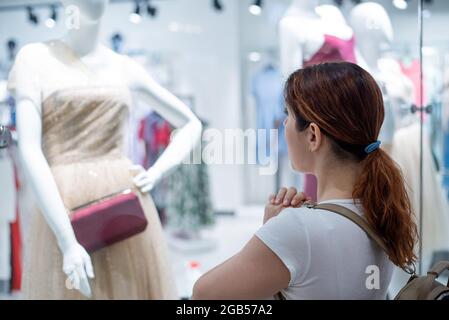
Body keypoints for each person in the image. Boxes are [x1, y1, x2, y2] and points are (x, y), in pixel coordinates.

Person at [192, 62, 418, 300]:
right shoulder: (381, 211)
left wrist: (270, 230)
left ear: (312, 135)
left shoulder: (299, 229)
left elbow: (202, 297)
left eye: (287, 115)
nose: (285, 125)